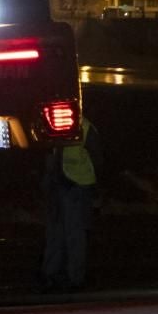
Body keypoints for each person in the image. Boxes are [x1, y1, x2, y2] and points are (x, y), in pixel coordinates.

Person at [40, 112, 103, 292]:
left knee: (72, 233)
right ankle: (56, 275)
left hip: (76, 185)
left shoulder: (84, 126)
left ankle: (73, 277)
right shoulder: (54, 121)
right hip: (61, 184)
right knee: (58, 232)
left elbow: (97, 158)